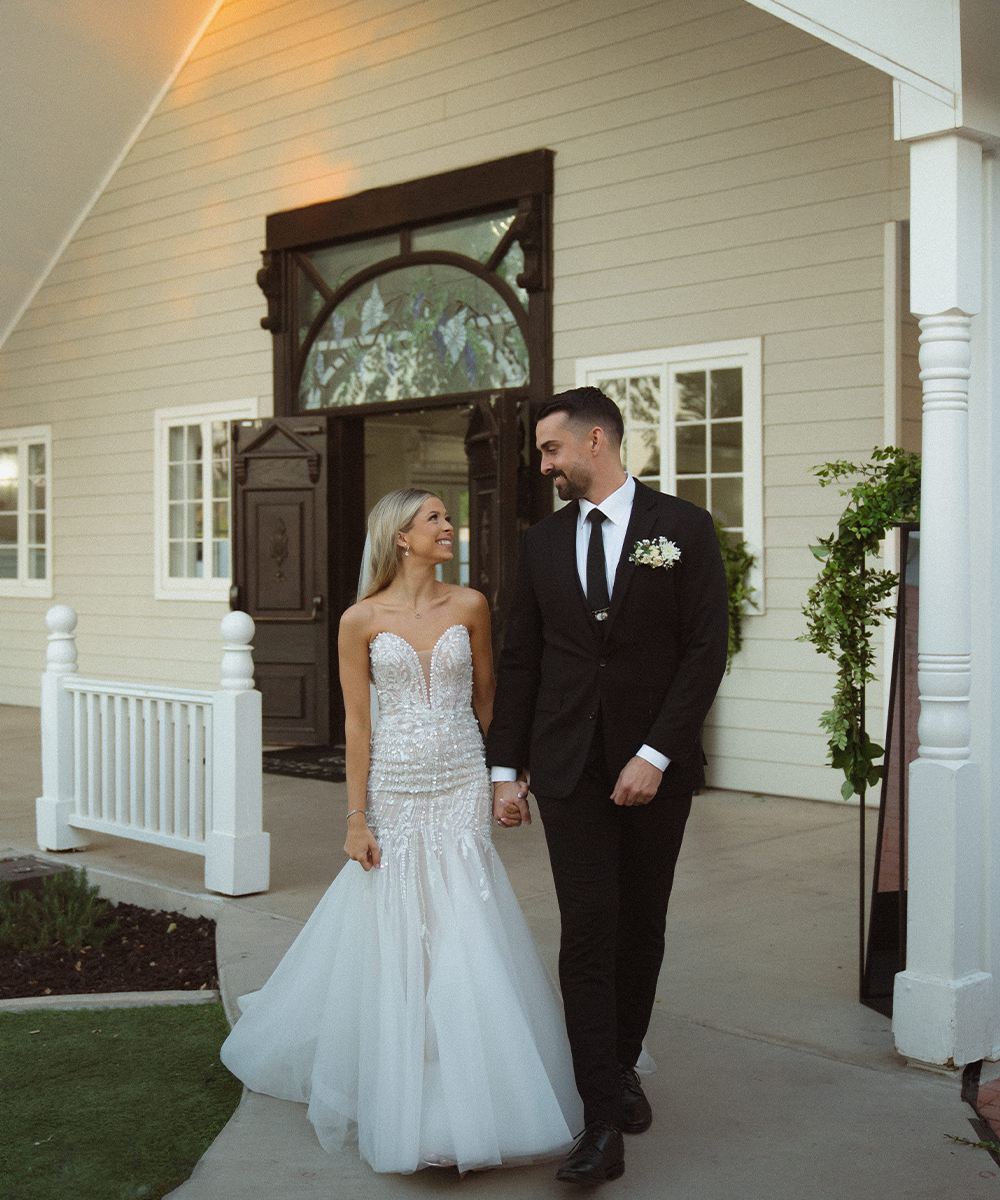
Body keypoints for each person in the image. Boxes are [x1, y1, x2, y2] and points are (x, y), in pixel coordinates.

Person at [220, 488, 583, 1175]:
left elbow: (488, 700)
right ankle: (409, 1088)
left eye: (447, 518)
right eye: (435, 519)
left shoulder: (470, 605)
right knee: (406, 929)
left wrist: (508, 778)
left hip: (460, 780)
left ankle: (474, 1090)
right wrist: (356, 817)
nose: (450, 527)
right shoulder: (359, 620)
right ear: (400, 538)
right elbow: (358, 725)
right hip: (397, 785)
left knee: (464, 922)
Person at [487, 388, 730, 1185]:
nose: (546, 465)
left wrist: (656, 753)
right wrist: (504, 769)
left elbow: (703, 651)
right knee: (589, 927)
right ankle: (599, 1120)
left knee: (640, 926)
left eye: (553, 450)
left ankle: (620, 1065)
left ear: (597, 440)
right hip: (567, 769)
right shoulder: (542, 544)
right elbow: (521, 659)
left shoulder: (682, 530)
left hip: (654, 771)